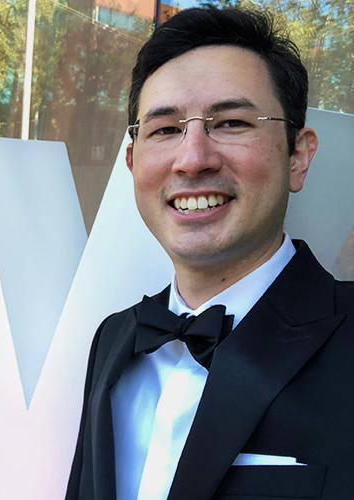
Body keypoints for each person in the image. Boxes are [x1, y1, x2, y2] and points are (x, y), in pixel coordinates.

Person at [66, 5, 354, 500]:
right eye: (165, 129)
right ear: (133, 164)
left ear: (298, 156)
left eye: (232, 122)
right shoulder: (113, 338)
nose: (192, 158)